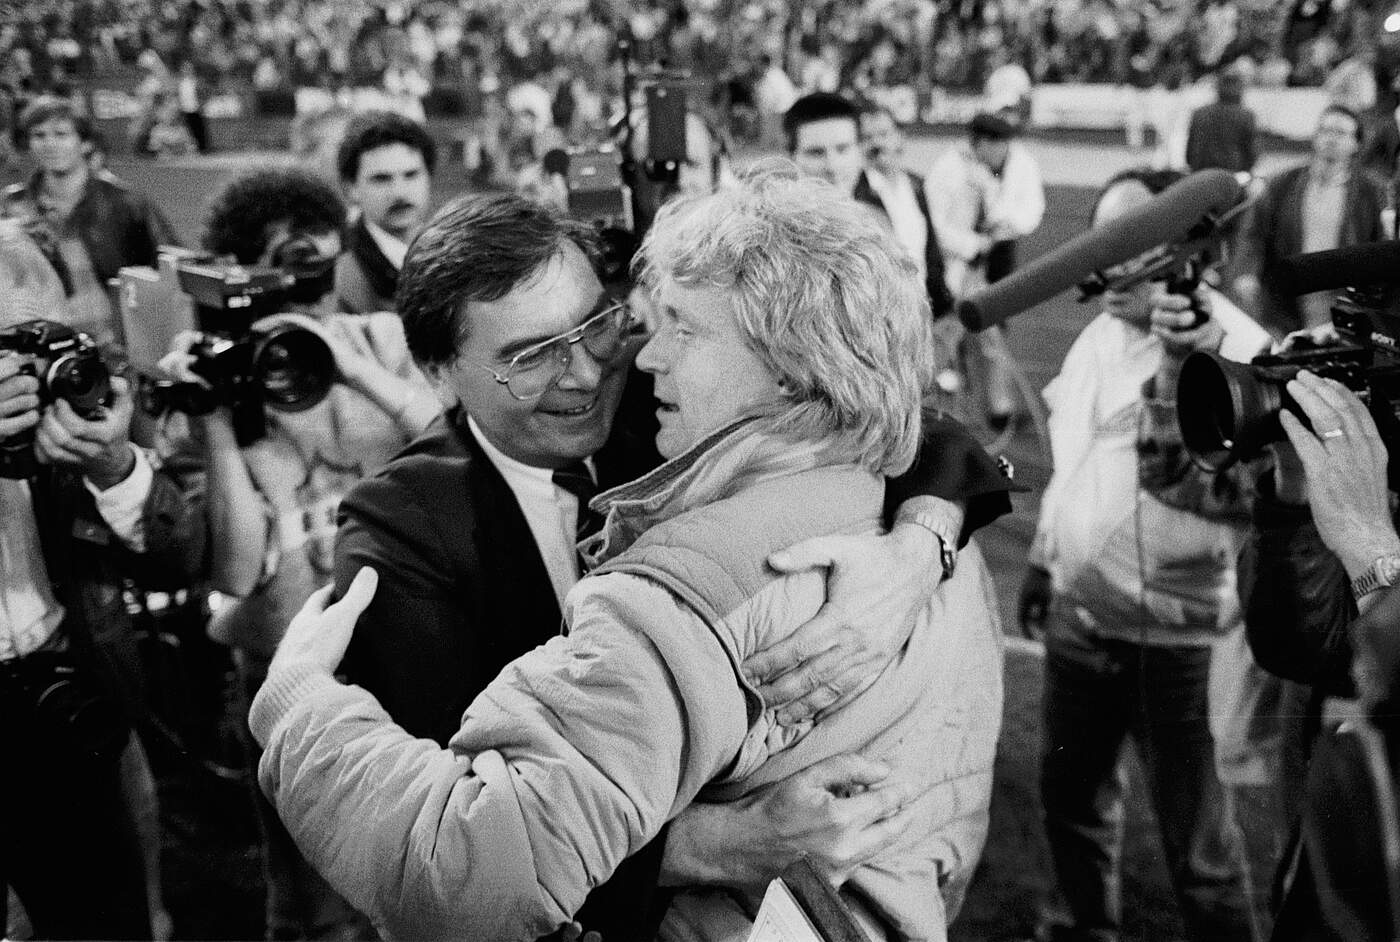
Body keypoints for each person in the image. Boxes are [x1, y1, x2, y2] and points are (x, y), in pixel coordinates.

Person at [252, 170, 1009, 940]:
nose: (586, 372)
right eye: (530, 356)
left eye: (597, 325)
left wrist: (922, 539)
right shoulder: (398, 529)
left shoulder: (680, 403)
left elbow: (898, 406)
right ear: (439, 373)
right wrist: (711, 846)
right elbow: (462, 811)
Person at [164, 168, 439, 942]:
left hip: (407, 652)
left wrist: (350, 367)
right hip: (292, 671)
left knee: (427, 877)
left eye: (321, 267)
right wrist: (217, 425)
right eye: (288, 271)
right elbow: (234, 571)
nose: (310, 294)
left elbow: (461, 450)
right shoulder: (226, 383)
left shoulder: (383, 340)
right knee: (315, 909)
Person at [1018, 169, 1268, 942]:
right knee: (1072, 806)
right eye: (1101, 239)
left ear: (1182, 248)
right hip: (1080, 618)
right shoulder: (1097, 338)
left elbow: (1240, 497)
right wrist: (1044, 559)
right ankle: (1081, 929)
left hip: (1181, 640)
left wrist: (1185, 366)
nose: (1105, 263)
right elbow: (1073, 464)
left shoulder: (1242, 350)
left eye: (1129, 242)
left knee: (1201, 853)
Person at [0, 222, 204, 940]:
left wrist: (112, 465)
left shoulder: (65, 421)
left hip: (73, 696)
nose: (33, 379)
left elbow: (179, 558)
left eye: (44, 348)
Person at [2, 96, 177, 347]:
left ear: (85, 143)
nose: (50, 144)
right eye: (39, 135)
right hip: (45, 343)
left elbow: (169, 264)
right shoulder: (12, 206)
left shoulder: (124, 202)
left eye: (61, 134)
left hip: (120, 340)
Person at [926, 110, 1046, 430]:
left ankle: (998, 409)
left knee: (993, 331)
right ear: (980, 144)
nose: (1004, 153)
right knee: (948, 335)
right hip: (954, 264)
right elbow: (935, 228)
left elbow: (1020, 210)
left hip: (989, 261)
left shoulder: (1001, 168)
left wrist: (1000, 225)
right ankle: (935, 406)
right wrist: (973, 245)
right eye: (998, 146)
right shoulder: (946, 172)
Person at [782, 92, 952, 318]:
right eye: (816, 153)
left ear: (858, 151)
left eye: (843, 149)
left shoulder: (877, 217)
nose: (832, 166)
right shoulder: (779, 236)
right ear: (792, 157)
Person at [1233, 105, 1389, 339]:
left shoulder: (1370, 192)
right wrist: (1248, 273)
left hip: (1342, 304)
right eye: (1326, 130)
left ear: (1356, 143)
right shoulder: (1284, 183)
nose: (1331, 139)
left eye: (1340, 132)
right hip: (1288, 301)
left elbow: (1381, 246)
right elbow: (1254, 232)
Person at [332, 110, 435, 314]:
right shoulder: (341, 277)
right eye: (381, 179)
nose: (399, 193)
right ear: (351, 188)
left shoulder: (451, 251)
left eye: (411, 175)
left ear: (429, 177)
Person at [1185, 69, 1258, 174]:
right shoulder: (1245, 116)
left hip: (1201, 175)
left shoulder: (1199, 114)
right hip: (1230, 175)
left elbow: (1189, 155)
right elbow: (1251, 156)